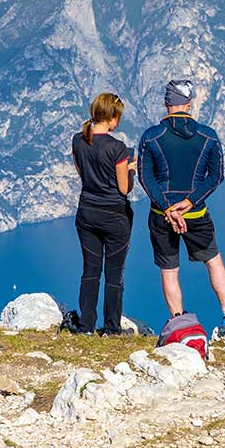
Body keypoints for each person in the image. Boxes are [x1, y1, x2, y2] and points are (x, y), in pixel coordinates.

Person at [137, 79, 225, 333]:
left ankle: (178, 322)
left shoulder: (151, 137)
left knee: (169, 270)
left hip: (161, 216)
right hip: (196, 213)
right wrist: (189, 202)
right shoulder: (208, 136)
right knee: (214, 261)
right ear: (190, 104)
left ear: (166, 105)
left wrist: (168, 208)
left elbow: (145, 177)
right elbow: (215, 176)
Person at [71, 92, 134, 336]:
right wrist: (130, 170)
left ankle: (86, 325)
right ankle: (111, 328)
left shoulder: (78, 140)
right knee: (114, 275)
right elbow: (124, 188)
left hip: (86, 212)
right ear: (112, 117)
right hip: (114, 216)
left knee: (90, 270)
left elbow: (83, 174)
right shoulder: (117, 148)